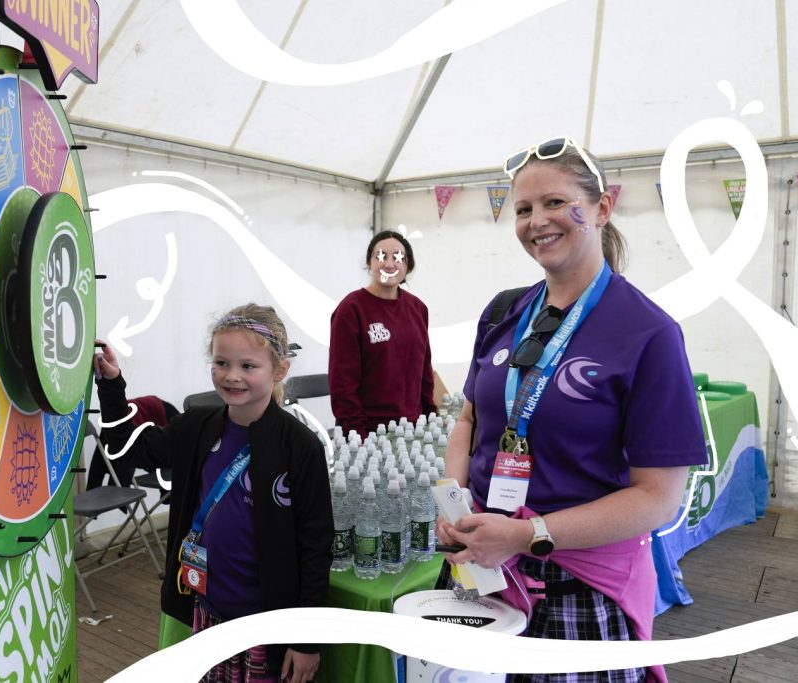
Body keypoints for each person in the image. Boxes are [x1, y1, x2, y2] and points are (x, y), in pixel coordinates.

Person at [436, 137, 707, 683]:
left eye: (556, 202)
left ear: (602, 208)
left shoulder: (648, 333)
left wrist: (523, 535)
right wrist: (452, 498)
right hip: (480, 568)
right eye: (523, 209)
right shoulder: (504, 313)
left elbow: (658, 498)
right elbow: (469, 419)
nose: (537, 221)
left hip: (576, 588)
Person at [94, 303, 332, 683]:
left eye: (248, 366)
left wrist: (305, 641)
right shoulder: (195, 426)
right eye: (221, 363)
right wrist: (111, 384)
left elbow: (316, 546)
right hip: (208, 613)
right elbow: (126, 448)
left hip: (267, 627)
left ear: (280, 370)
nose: (232, 376)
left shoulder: (300, 446)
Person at [328, 230, 437, 438]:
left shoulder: (418, 308)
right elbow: (342, 383)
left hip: (412, 431)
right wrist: (357, 435)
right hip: (367, 432)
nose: (389, 264)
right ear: (369, 263)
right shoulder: (350, 310)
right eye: (381, 256)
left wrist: (430, 419)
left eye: (398, 258)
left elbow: (424, 373)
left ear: (408, 266)